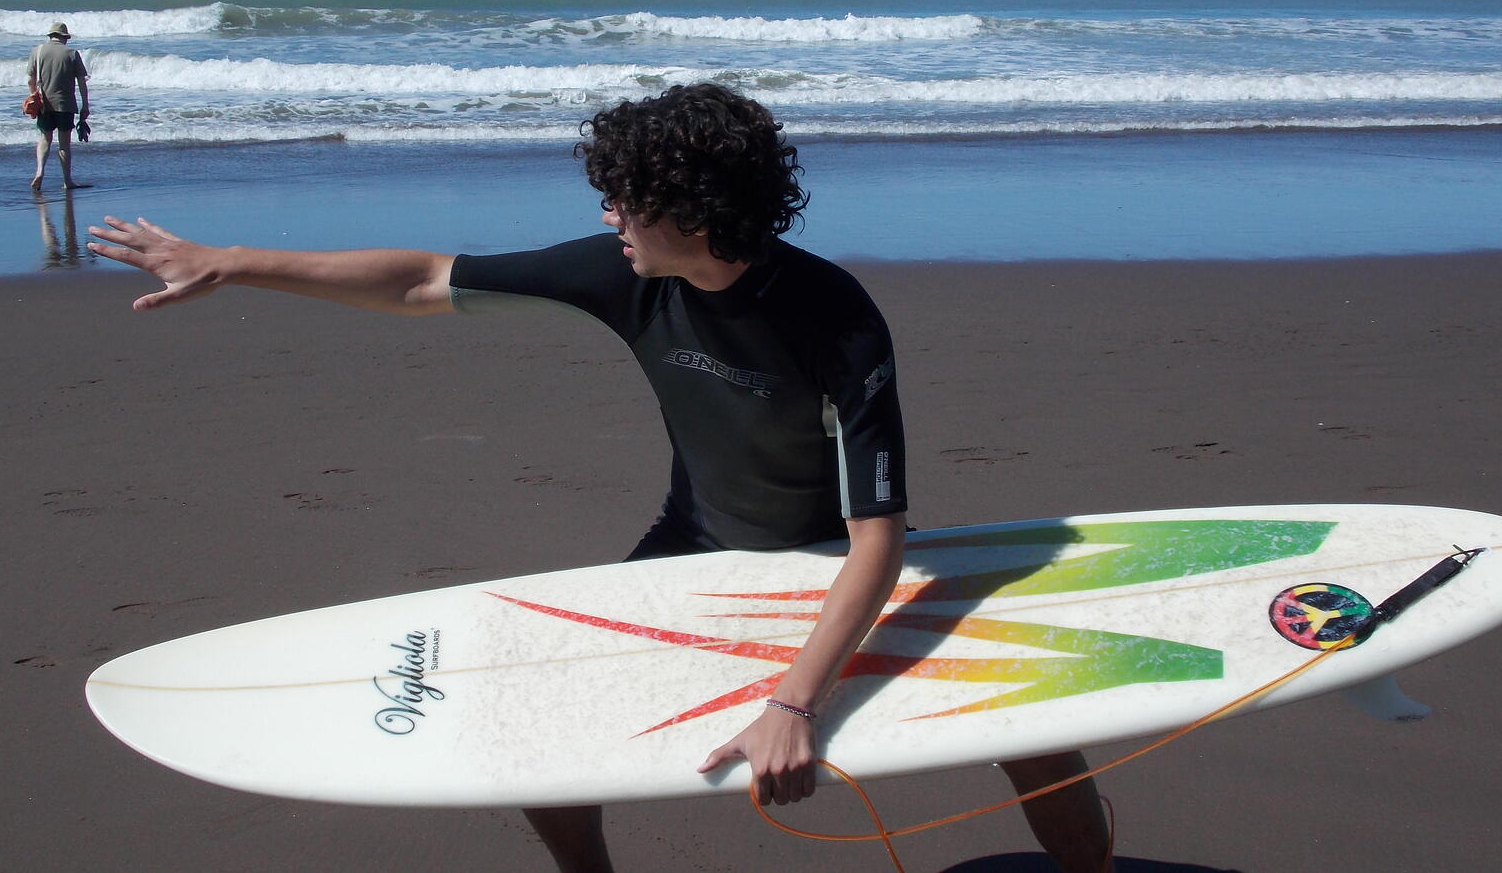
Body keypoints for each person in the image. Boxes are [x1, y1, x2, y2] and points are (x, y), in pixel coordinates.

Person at [87, 83, 1109, 872]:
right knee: (542, 738)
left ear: (694, 211)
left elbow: (878, 540)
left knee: (1034, 730)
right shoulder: (624, 272)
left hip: (831, 561)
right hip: (694, 549)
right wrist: (230, 260)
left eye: (628, 198)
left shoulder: (832, 319)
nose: (611, 212)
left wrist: (794, 703)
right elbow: (423, 279)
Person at [28, 21, 90, 191]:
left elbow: (30, 80)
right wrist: (85, 105)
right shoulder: (72, 53)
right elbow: (82, 83)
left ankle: (40, 171)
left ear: (50, 36)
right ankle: (67, 180)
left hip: (44, 105)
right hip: (66, 105)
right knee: (64, 144)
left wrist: (34, 95)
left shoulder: (37, 51)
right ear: (64, 38)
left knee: (44, 139)